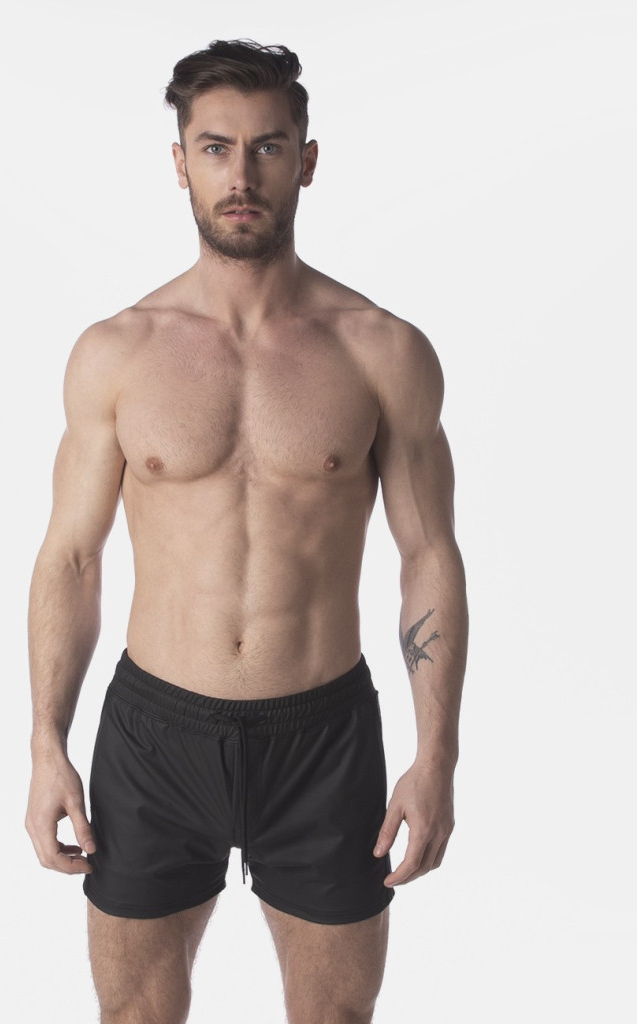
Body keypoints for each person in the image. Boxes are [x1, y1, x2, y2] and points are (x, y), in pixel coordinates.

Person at [25, 38, 468, 1024]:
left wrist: (435, 754)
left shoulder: (381, 350)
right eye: (215, 148)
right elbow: (71, 556)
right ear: (179, 162)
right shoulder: (116, 353)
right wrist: (46, 741)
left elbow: (428, 555)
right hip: (154, 737)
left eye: (266, 147)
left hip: (322, 738)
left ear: (305, 160)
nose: (240, 176)